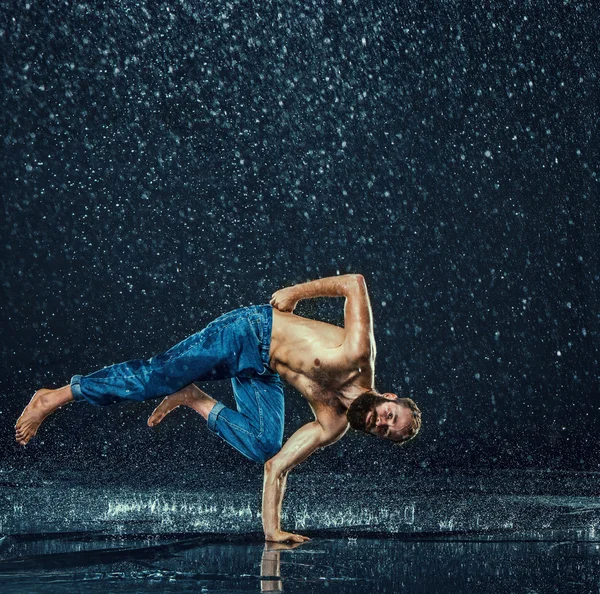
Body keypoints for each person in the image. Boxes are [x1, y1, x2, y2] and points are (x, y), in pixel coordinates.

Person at [15, 274, 421, 542]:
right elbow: (354, 284)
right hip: (248, 330)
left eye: (385, 430)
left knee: (264, 444)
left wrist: (272, 531)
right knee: (155, 377)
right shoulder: (357, 353)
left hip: (259, 371)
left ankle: (194, 397)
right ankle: (56, 396)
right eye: (391, 415)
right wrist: (296, 294)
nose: (382, 423)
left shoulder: (333, 423)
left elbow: (276, 467)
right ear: (388, 398)